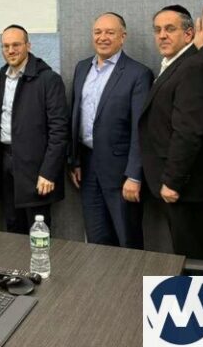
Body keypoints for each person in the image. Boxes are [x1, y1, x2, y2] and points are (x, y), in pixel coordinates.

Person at [138, 5, 203, 260]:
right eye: (157, 30)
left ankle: (199, 290)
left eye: (170, 29)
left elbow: (188, 131)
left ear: (188, 34)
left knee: (194, 258)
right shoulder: (176, 64)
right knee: (187, 255)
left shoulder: (192, 66)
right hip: (178, 186)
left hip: (186, 188)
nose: (162, 35)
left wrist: (172, 182)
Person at [70, 12, 152, 249]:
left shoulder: (138, 74)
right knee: (97, 239)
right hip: (87, 167)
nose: (102, 37)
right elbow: (76, 115)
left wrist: (134, 175)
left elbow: (140, 129)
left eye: (110, 32)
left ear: (122, 37)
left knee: (127, 239)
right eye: (98, 32)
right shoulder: (82, 68)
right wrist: (75, 160)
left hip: (121, 173)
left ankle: (132, 276)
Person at [0, 25, 69, 233]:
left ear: (28, 45)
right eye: (6, 46)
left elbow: (59, 131)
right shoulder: (1, 77)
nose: (11, 50)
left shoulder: (48, 79)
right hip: (6, 164)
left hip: (36, 170)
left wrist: (48, 172)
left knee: (38, 232)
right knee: (12, 227)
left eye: (16, 45)